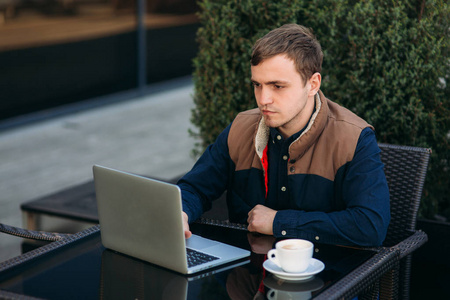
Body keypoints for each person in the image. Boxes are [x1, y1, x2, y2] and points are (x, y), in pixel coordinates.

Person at [178, 24, 390, 247]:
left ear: (312, 84)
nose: (263, 99)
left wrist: (279, 222)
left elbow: (370, 226)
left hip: (328, 277)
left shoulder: (353, 138)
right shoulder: (240, 128)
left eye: (277, 86)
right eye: (257, 85)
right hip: (246, 274)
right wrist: (181, 212)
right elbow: (194, 188)